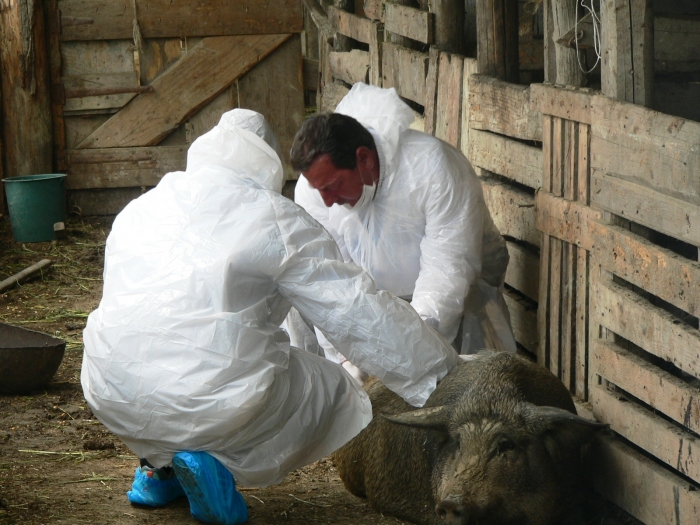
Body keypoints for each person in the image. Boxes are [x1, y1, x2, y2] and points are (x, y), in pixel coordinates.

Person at [81, 109, 458, 525]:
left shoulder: (140, 209)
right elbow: (356, 308)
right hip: (202, 397)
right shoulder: (272, 217)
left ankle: (156, 469)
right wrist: (441, 372)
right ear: (264, 161)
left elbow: (139, 317)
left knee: (159, 357)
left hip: (108, 388)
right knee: (335, 388)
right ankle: (210, 462)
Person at [290, 83, 516, 375]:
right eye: (319, 190)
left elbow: (447, 271)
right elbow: (332, 278)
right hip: (377, 299)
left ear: (364, 158)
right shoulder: (315, 191)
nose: (328, 201)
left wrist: (410, 353)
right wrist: (348, 356)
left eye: (334, 187)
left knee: (466, 381)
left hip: (460, 293)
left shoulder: (432, 169)